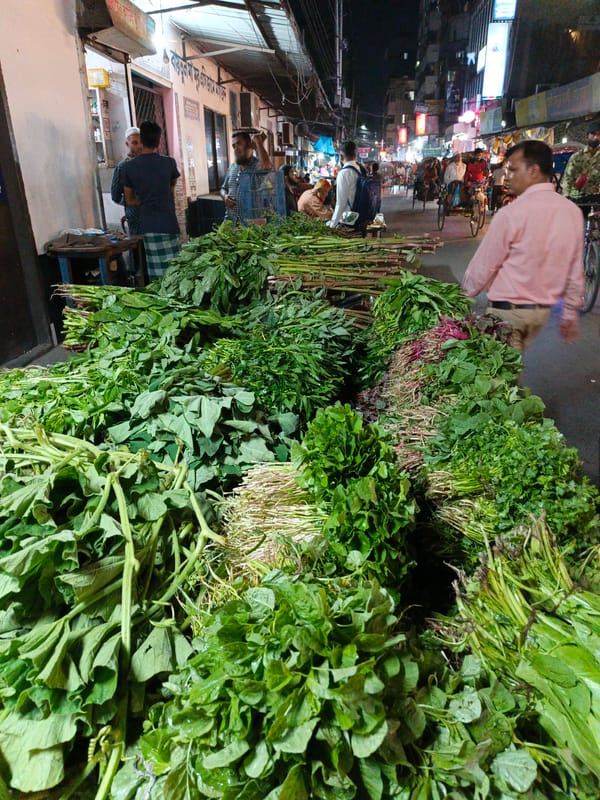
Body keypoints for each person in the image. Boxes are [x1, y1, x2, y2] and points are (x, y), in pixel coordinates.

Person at [462, 140, 584, 351]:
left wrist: (459, 298)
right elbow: (575, 267)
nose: (507, 176)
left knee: (497, 379)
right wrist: (571, 311)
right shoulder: (571, 211)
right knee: (508, 374)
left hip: (507, 314)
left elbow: (484, 265)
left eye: (513, 169)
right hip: (539, 315)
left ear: (534, 170)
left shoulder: (512, 213)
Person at [123, 120, 181, 282]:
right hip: (169, 224)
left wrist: (143, 200)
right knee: (175, 274)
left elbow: (129, 200)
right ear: (159, 140)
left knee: (158, 278)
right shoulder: (169, 163)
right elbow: (171, 186)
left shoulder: (130, 167)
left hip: (149, 226)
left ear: (141, 141)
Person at [220, 130, 273, 224]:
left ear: (249, 145)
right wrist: (225, 197)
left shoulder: (257, 166)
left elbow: (266, 166)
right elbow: (223, 188)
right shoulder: (232, 167)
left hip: (251, 225)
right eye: (234, 145)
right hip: (230, 223)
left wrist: (258, 142)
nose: (235, 148)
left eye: (239, 144)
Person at [111, 126, 142, 234]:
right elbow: (115, 196)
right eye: (135, 143)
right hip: (136, 219)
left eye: (141, 142)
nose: (139, 146)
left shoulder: (150, 163)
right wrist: (131, 202)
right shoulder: (122, 167)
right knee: (138, 248)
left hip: (155, 218)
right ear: (127, 144)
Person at [561, 120, 600, 206]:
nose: (596, 137)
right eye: (593, 134)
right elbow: (568, 179)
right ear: (587, 136)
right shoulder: (577, 157)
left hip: (596, 197)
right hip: (578, 197)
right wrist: (566, 199)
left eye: (599, 135)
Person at [328, 140, 366, 228]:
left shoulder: (344, 173)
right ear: (355, 155)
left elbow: (341, 203)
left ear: (341, 156)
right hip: (362, 216)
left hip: (349, 219)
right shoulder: (361, 169)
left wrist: (332, 225)